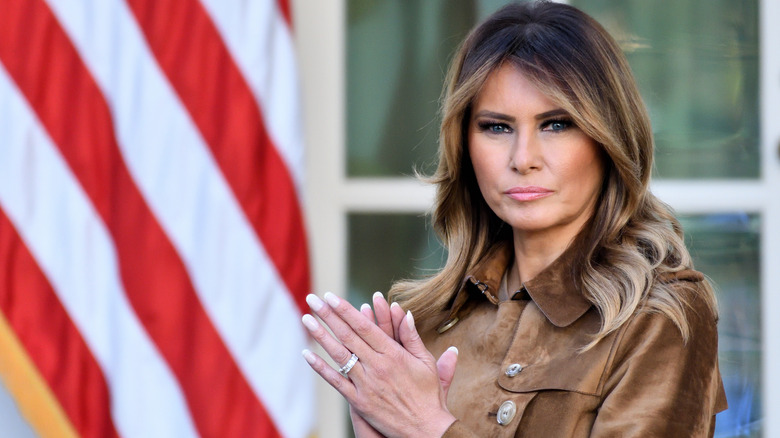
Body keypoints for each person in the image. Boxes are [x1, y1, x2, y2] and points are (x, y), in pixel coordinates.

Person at [301, 1, 728, 436]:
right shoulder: (426, 320)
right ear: (463, 144)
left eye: (557, 124)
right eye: (497, 127)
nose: (523, 159)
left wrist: (429, 427)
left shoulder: (660, 318)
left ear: (608, 138)